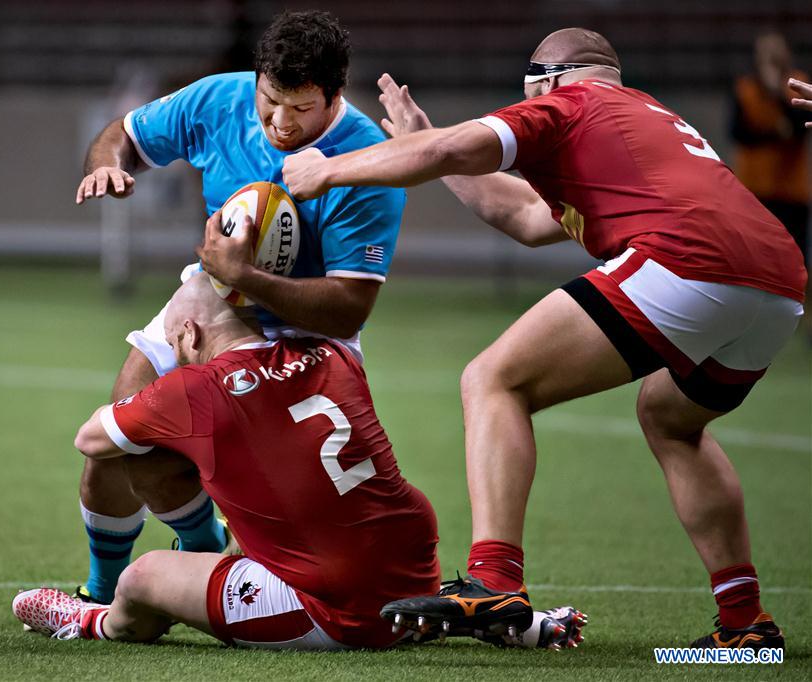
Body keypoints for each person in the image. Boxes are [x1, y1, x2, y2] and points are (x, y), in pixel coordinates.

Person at [283, 27, 806, 650]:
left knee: (494, 380)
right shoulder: (645, 119)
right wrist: (425, 140)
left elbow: (454, 148)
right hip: (780, 283)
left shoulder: (568, 102)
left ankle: (494, 580)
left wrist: (329, 169)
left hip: (687, 260)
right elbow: (526, 216)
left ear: (548, 81)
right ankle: (746, 624)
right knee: (671, 419)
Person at [12, 275, 583, 650]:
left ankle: (88, 620)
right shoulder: (330, 352)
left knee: (143, 578)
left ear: (189, 332)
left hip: (327, 602)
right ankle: (485, 619)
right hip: (412, 565)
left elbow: (91, 439)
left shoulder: (193, 388)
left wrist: (156, 393)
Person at [71, 10, 405, 605]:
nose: (280, 122)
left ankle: (202, 553)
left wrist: (245, 275)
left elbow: (348, 308)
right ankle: (106, 590)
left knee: (274, 494)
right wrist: (107, 167)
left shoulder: (367, 161)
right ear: (256, 79)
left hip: (306, 334)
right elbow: (122, 133)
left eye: (300, 108)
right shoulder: (218, 100)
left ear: (335, 96)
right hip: (212, 296)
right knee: (120, 440)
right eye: (269, 100)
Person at [730, 32, 809, 274]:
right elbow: (738, 133)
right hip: (755, 187)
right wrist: (778, 134)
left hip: (791, 188)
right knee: (756, 256)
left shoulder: (799, 84)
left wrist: (778, 95)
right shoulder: (745, 87)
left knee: (795, 258)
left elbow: (800, 130)